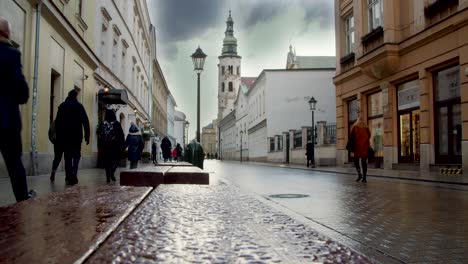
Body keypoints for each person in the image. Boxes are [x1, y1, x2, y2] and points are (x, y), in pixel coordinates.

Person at [0, 17, 34, 201]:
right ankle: (22, 199)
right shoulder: (11, 54)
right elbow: (22, 91)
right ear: (7, 34)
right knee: (14, 164)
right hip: (6, 120)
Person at [55, 89, 90, 185]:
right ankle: (74, 172)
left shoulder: (62, 106)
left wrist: (57, 137)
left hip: (64, 136)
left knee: (67, 157)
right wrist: (87, 136)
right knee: (76, 155)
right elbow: (85, 122)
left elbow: (57, 122)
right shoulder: (79, 106)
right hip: (77, 136)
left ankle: (68, 175)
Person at [100, 110, 125, 183]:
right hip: (115, 146)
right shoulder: (116, 123)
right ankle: (112, 172)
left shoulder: (103, 124)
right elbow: (121, 134)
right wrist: (122, 144)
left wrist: (102, 143)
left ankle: (108, 176)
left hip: (105, 146)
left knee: (107, 161)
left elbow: (101, 135)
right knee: (116, 160)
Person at [349, 117, 371, 183]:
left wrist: (351, 149)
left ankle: (359, 174)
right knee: (364, 162)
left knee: (356, 161)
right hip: (365, 147)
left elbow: (351, 137)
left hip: (357, 147)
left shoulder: (354, 126)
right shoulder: (366, 127)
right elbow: (369, 135)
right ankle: (364, 178)